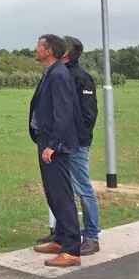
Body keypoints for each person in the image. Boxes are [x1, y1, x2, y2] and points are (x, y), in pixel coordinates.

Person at [36, 36, 101, 255]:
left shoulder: (79, 77)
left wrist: (74, 140)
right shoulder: (54, 72)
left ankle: (91, 236)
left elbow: (87, 114)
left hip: (74, 144)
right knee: (61, 190)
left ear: (65, 53)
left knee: (82, 189)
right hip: (61, 142)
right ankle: (61, 235)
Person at [30, 34, 82, 267]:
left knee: (61, 195)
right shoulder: (51, 72)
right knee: (53, 193)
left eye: (39, 45)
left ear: (49, 51)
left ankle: (71, 250)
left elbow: (64, 112)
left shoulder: (59, 74)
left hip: (54, 144)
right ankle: (60, 239)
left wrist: (53, 145)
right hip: (46, 140)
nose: (35, 49)